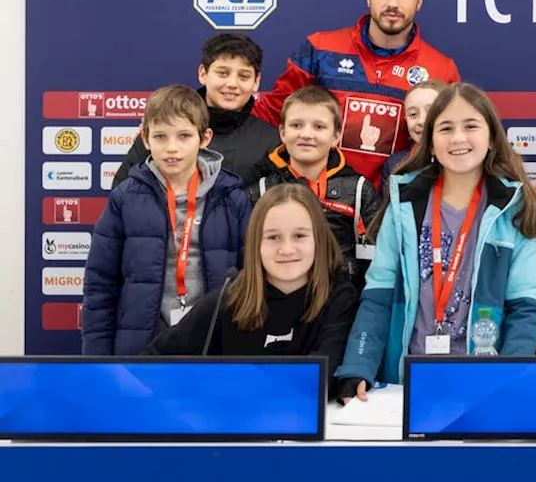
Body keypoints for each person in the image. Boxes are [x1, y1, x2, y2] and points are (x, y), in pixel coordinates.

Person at [336, 84, 536, 403]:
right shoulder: (404, 203)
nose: (458, 138)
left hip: (482, 385)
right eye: (446, 128)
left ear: (491, 138)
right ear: (430, 143)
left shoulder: (515, 207)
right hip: (403, 384)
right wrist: (357, 366)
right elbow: (378, 296)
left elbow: (526, 308)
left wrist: (506, 376)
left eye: (471, 126)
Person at [253, 0, 462, 189]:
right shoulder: (320, 49)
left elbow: (451, 140)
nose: (392, 3)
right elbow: (271, 115)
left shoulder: (441, 69)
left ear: (419, 1)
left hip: (393, 204)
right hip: (321, 202)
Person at [82, 85, 252, 355]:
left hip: (214, 342)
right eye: (160, 136)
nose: (172, 148)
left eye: (184, 136)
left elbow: (250, 280)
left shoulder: (232, 199)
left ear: (205, 138)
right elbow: (100, 286)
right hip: (142, 344)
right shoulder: (124, 199)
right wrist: (98, 362)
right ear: (145, 139)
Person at [143, 183, 359, 385]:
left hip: (308, 421)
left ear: (318, 240)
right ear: (256, 243)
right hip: (232, 420)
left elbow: (322, 373)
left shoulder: (339, 298)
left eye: (299, 236)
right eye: (273, 237)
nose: (286, 249)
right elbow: (151, 362)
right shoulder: (227, 299)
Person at [249, 86, 382, 291]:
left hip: (342, 305)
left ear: (335, 136)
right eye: (296, 125)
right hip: (276, 301)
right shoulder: (261, 190)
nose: (307, 134)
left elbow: (378, 262)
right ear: (282, 133)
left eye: (319, 127)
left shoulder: (359, 190)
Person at [112, 34, 280, 189]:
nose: (232, 84)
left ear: (256, 81)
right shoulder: (162, 127)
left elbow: (282, 202)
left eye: (243, 76)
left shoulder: (271, 141)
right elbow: (122, 193)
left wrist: (240, 202)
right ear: (203, 74)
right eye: (222, 73)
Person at [381, 78, 448, 189]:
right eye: (413, 114)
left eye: (431, 111)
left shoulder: (466, 159)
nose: (421, 121)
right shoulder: (394, 165)